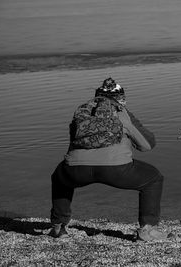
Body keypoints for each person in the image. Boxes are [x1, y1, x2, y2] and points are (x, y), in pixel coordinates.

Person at [49, 77, 169, 241]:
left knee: (59, 177)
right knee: (154, 178)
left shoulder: (82, 111)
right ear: (121, 99)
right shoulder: (122, 113)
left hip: (76, 170)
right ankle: (147, 229)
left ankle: (58, 227)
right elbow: (147, 145)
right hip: (116, 169)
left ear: (96, 96)